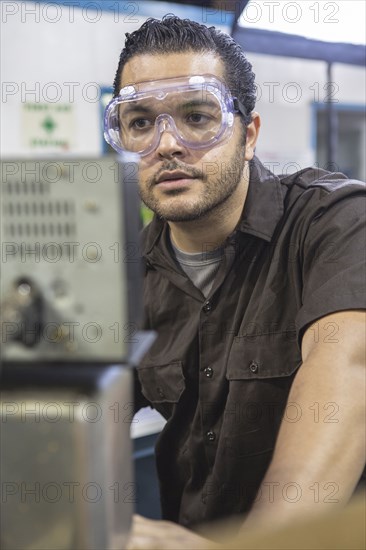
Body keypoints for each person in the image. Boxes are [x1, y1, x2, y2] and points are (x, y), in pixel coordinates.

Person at [104, 15, 366, 549]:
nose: (167, 144)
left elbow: (349, 371)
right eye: (140, 123)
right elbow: (73, 412)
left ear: (248, 135)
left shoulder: (335, 224)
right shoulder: (124, 274)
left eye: (197, 116)